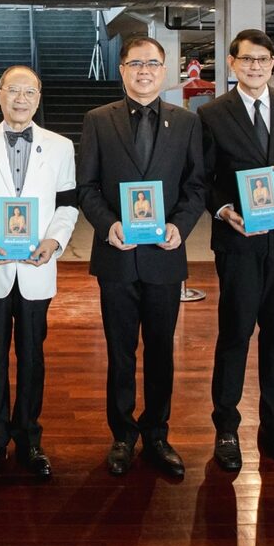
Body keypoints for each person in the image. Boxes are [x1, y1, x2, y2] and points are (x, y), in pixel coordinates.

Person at [78, 34, 206, 477]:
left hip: (164, 255)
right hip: (117, 254)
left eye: (152, 64)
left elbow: (196, 186)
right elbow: (86, 187)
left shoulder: (186, 123)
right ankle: (122, 435)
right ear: (122, 70)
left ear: (165, 71)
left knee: (160, 350)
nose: (144, 71)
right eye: (135, 64)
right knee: (119, 350)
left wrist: (181, 226)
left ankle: (157, 433)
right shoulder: (98, 119)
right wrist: (107, 225)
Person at [198, 28, 274, 473]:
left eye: (263, 60)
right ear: (231, 63)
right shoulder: (211, 113)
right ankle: (226, 429)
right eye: (246, 59)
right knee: (234, 335)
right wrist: (224, 208)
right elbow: (203, 179)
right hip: (240, 239)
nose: (255, 66)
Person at [0, 65, 78, 479]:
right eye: (14, 91)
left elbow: (68, 204)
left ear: (39, 98)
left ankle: (29, 438)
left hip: (37, 267)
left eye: (30, 92)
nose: (21, 99)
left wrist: (55, 241)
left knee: (32, 356)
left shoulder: (60, 147)